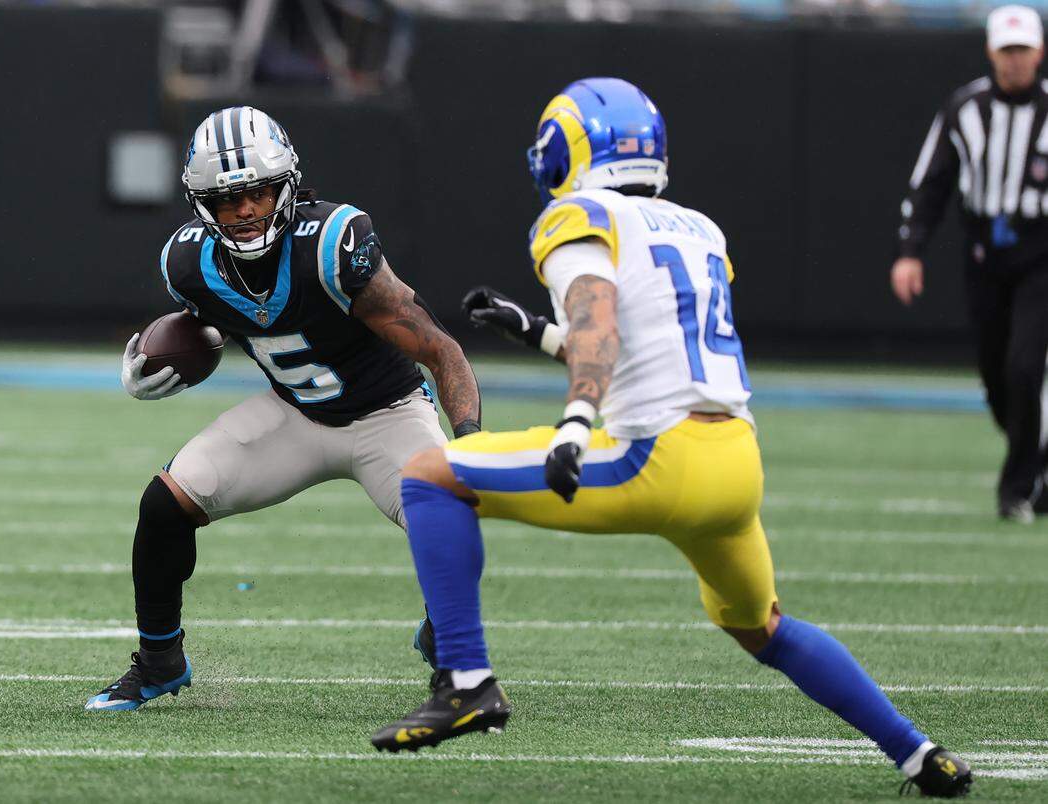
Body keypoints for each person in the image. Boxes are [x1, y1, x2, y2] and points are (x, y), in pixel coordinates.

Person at [370, 78, 973, 798]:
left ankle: (466, 680)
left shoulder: (576, 214)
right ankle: (917, 753)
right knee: (764, 628)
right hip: (734, 464)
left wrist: (573, 425)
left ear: (567, 152)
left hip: (654, 456)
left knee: (430, 475)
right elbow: (649, 345)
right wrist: (534, 329)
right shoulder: (697, 228)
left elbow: (602, 331)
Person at [84, 105, 479, 711]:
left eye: (260, 192)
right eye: (228, 198)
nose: (245, 210)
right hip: (296, 415)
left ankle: (446, 642)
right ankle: (161, 660)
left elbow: (440, 350)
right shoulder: (187, 264)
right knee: (165, 505)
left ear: (287, 185)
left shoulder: (330, 243)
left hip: (389, 415)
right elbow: (208, 330)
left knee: (451, 516)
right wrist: (149, 367)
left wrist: (469, 440)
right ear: (201, 204)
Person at [893, 5, 1048, 523]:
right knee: (996, 379)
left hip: (1040, 256)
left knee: (1025, 367)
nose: (1015, 60)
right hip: (984, 256)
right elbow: (931, 181)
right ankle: (1038, 462)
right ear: (991, 52)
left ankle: (1016, 489)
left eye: (1023, 49)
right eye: (1007, 50)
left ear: (1039, 52)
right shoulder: (966, 109)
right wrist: (911, 251)